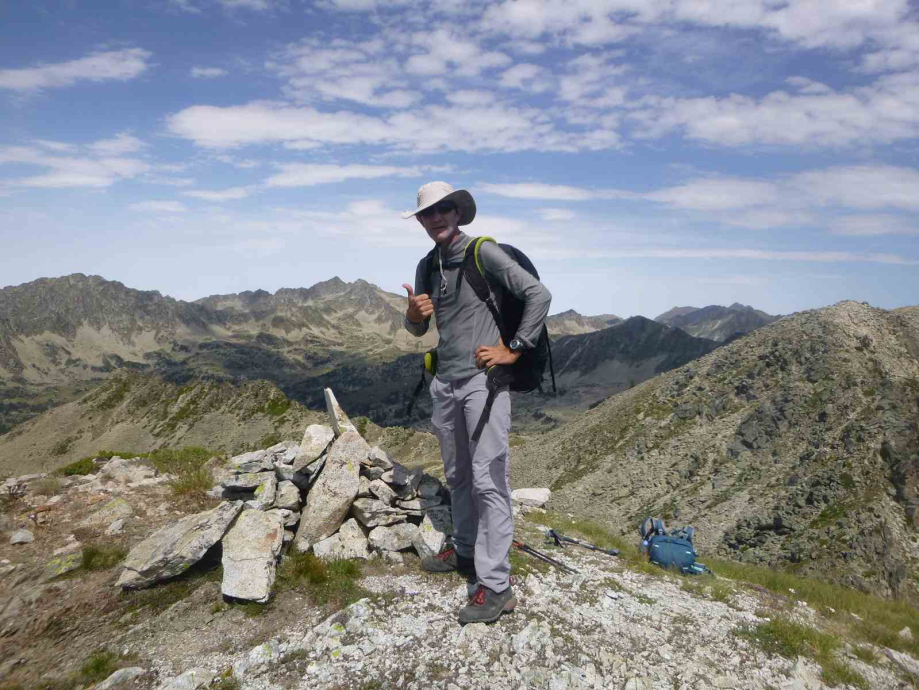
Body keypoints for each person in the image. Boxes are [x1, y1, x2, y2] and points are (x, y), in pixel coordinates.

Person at [401, 181, 552, 624]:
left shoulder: (482, 253)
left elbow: (538, 295)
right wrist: (412, 318)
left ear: (458, 212)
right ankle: (464, 550)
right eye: (428, 213)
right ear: (422, 221)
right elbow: (419, 330)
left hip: (483, 384)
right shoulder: (429, 264)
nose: (437, 218)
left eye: (444, 209)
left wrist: (514, 348)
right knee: (457, 475)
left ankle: (497, 585)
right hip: (445, 383)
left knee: (488, 482)